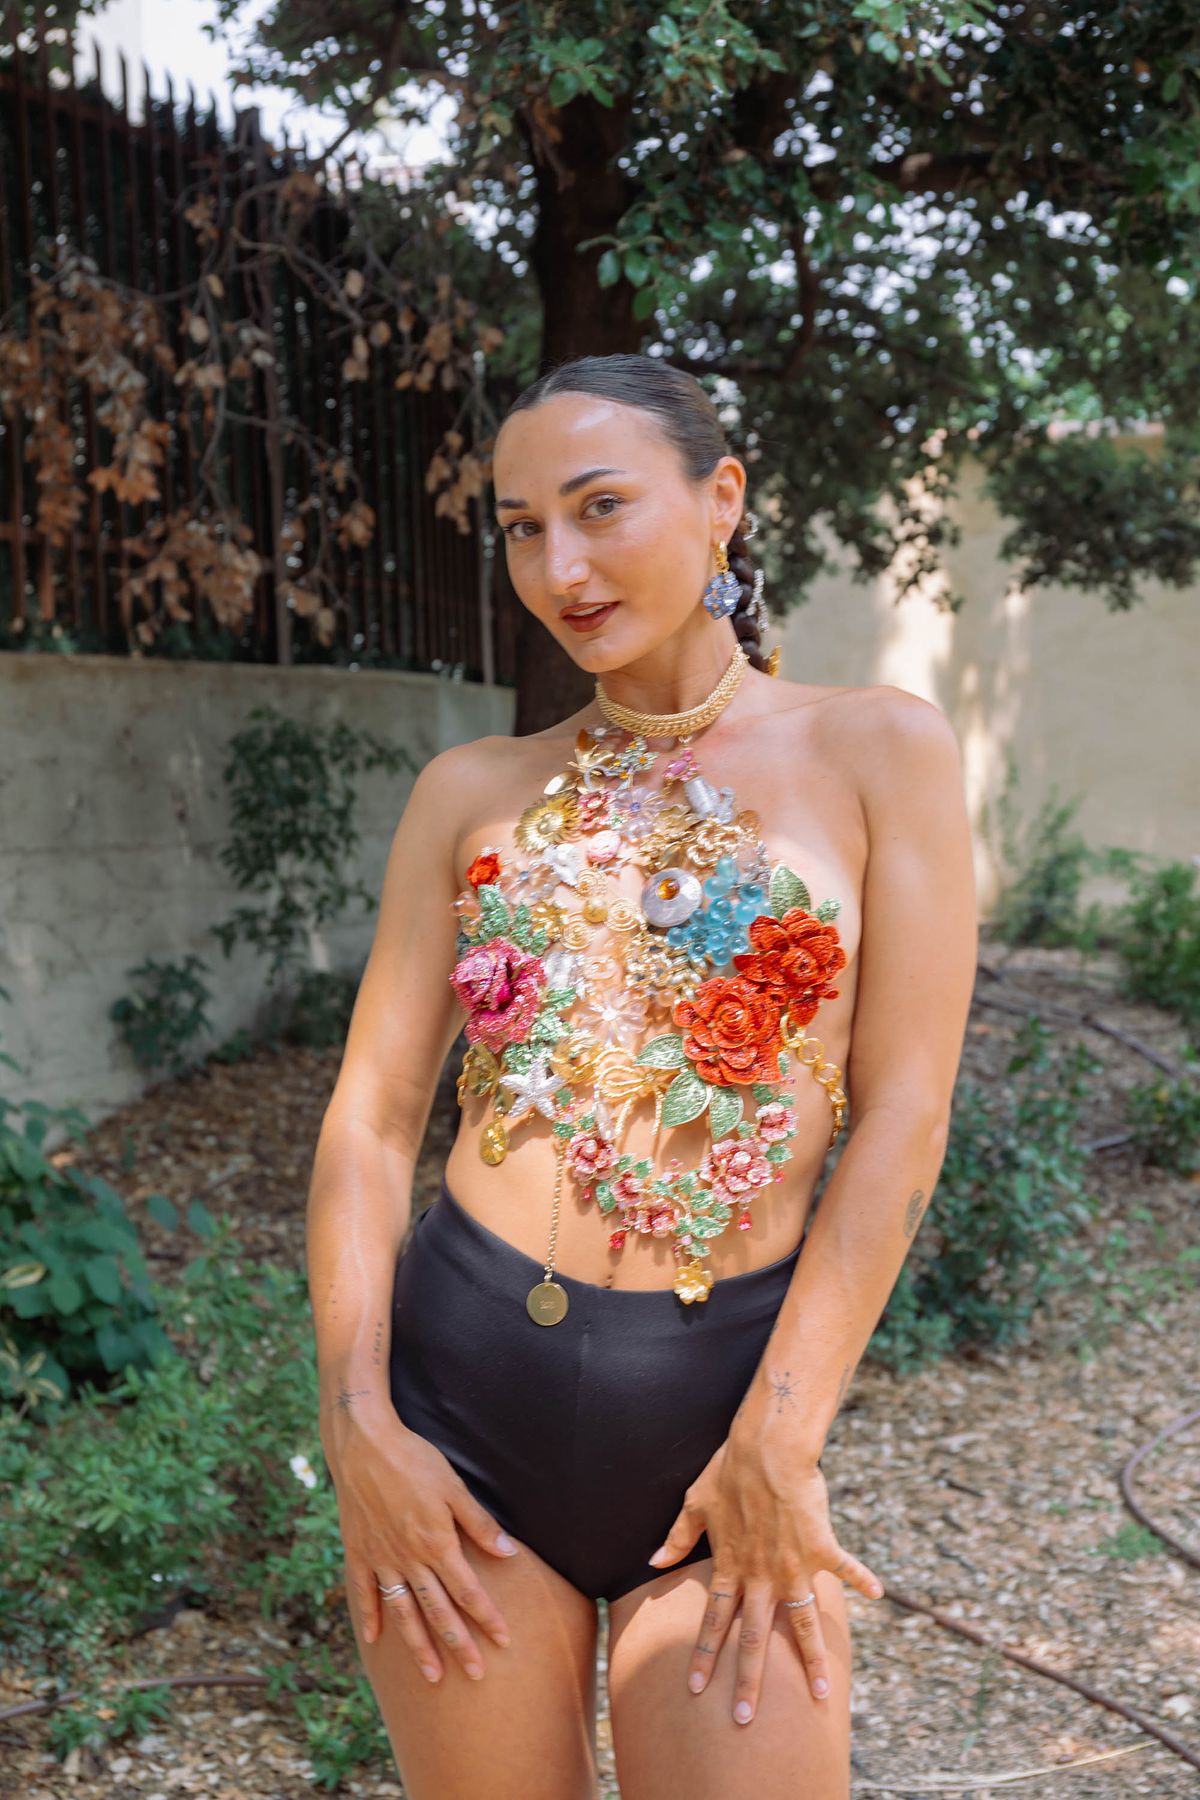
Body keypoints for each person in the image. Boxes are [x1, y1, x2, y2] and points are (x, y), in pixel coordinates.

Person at [306, 353, 978, 1799]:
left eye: (600, 507)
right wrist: (358, 1423)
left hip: (722, 1419)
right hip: (457, 1415)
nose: (561, 566)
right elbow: (370, 1119)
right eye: (523, 527)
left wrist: (782, 1438)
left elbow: (905, 1115)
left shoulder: (877, 752)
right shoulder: (469, 792)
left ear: (721, 498)